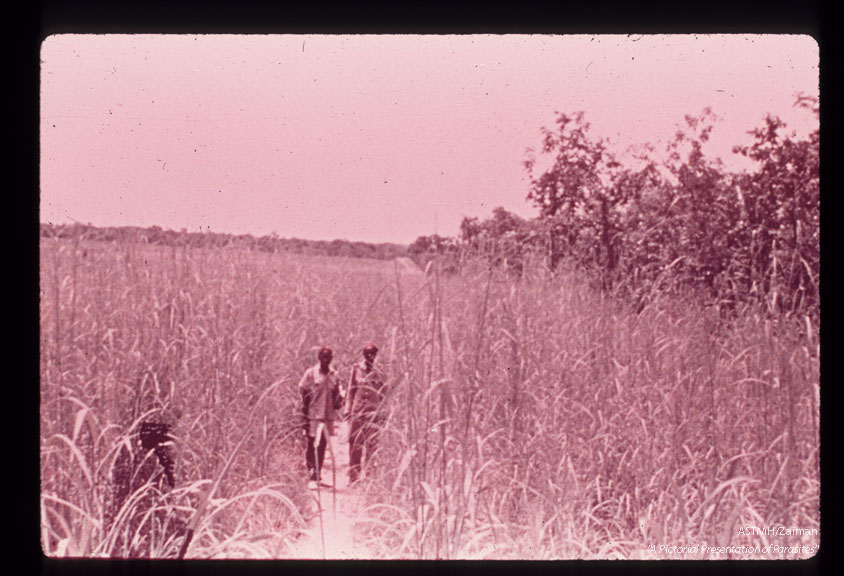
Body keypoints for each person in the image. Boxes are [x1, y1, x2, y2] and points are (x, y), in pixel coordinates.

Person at [298, 347, 344, 489]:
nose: (326, 359)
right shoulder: (311, 373)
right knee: (312, 445)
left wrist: (340, 399)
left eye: (328, 357)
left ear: (331, 358)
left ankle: (317, 476)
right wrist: (305, 418)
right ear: (319, 358)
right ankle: (311, 475)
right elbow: (304, 394)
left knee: (322, 445)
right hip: (314, 416)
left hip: (328, 417)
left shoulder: (334, 375)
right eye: (323, 357)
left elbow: (336, 397)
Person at [346, 343, 389, 485]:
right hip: (358, 412)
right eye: (367, 353)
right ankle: (354, 477)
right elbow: (351, 390)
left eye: (372, 354)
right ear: (363, 354)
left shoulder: (381, 371)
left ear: (376, 355)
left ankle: (370, 479)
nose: (369, 356)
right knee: (355, 444)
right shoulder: (356, 369)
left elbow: (384, 392)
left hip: (373, 413)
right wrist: (348, 410)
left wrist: (383, 412)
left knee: (371, 445)